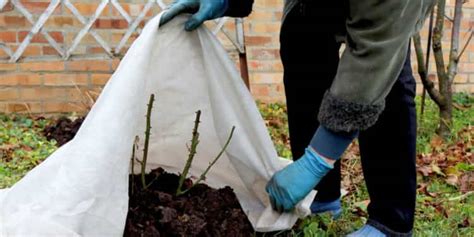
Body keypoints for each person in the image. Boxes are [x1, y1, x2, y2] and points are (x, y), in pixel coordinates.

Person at [160, 0, 434, 236]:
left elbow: (375, 53)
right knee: (301, 32)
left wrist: (317, 160)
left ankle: (390, 221)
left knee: (387, 74)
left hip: (389, 11)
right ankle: (322, 198)